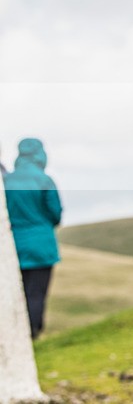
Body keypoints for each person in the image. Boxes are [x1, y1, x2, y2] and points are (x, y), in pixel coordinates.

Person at [4, 138, 63, 339]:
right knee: (36, 294)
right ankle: (32, 334)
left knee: (15, 293)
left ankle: (14, 335)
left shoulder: (7, 181)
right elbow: (55, 213)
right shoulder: (44, 180)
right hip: (41, 247)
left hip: (14, 247)